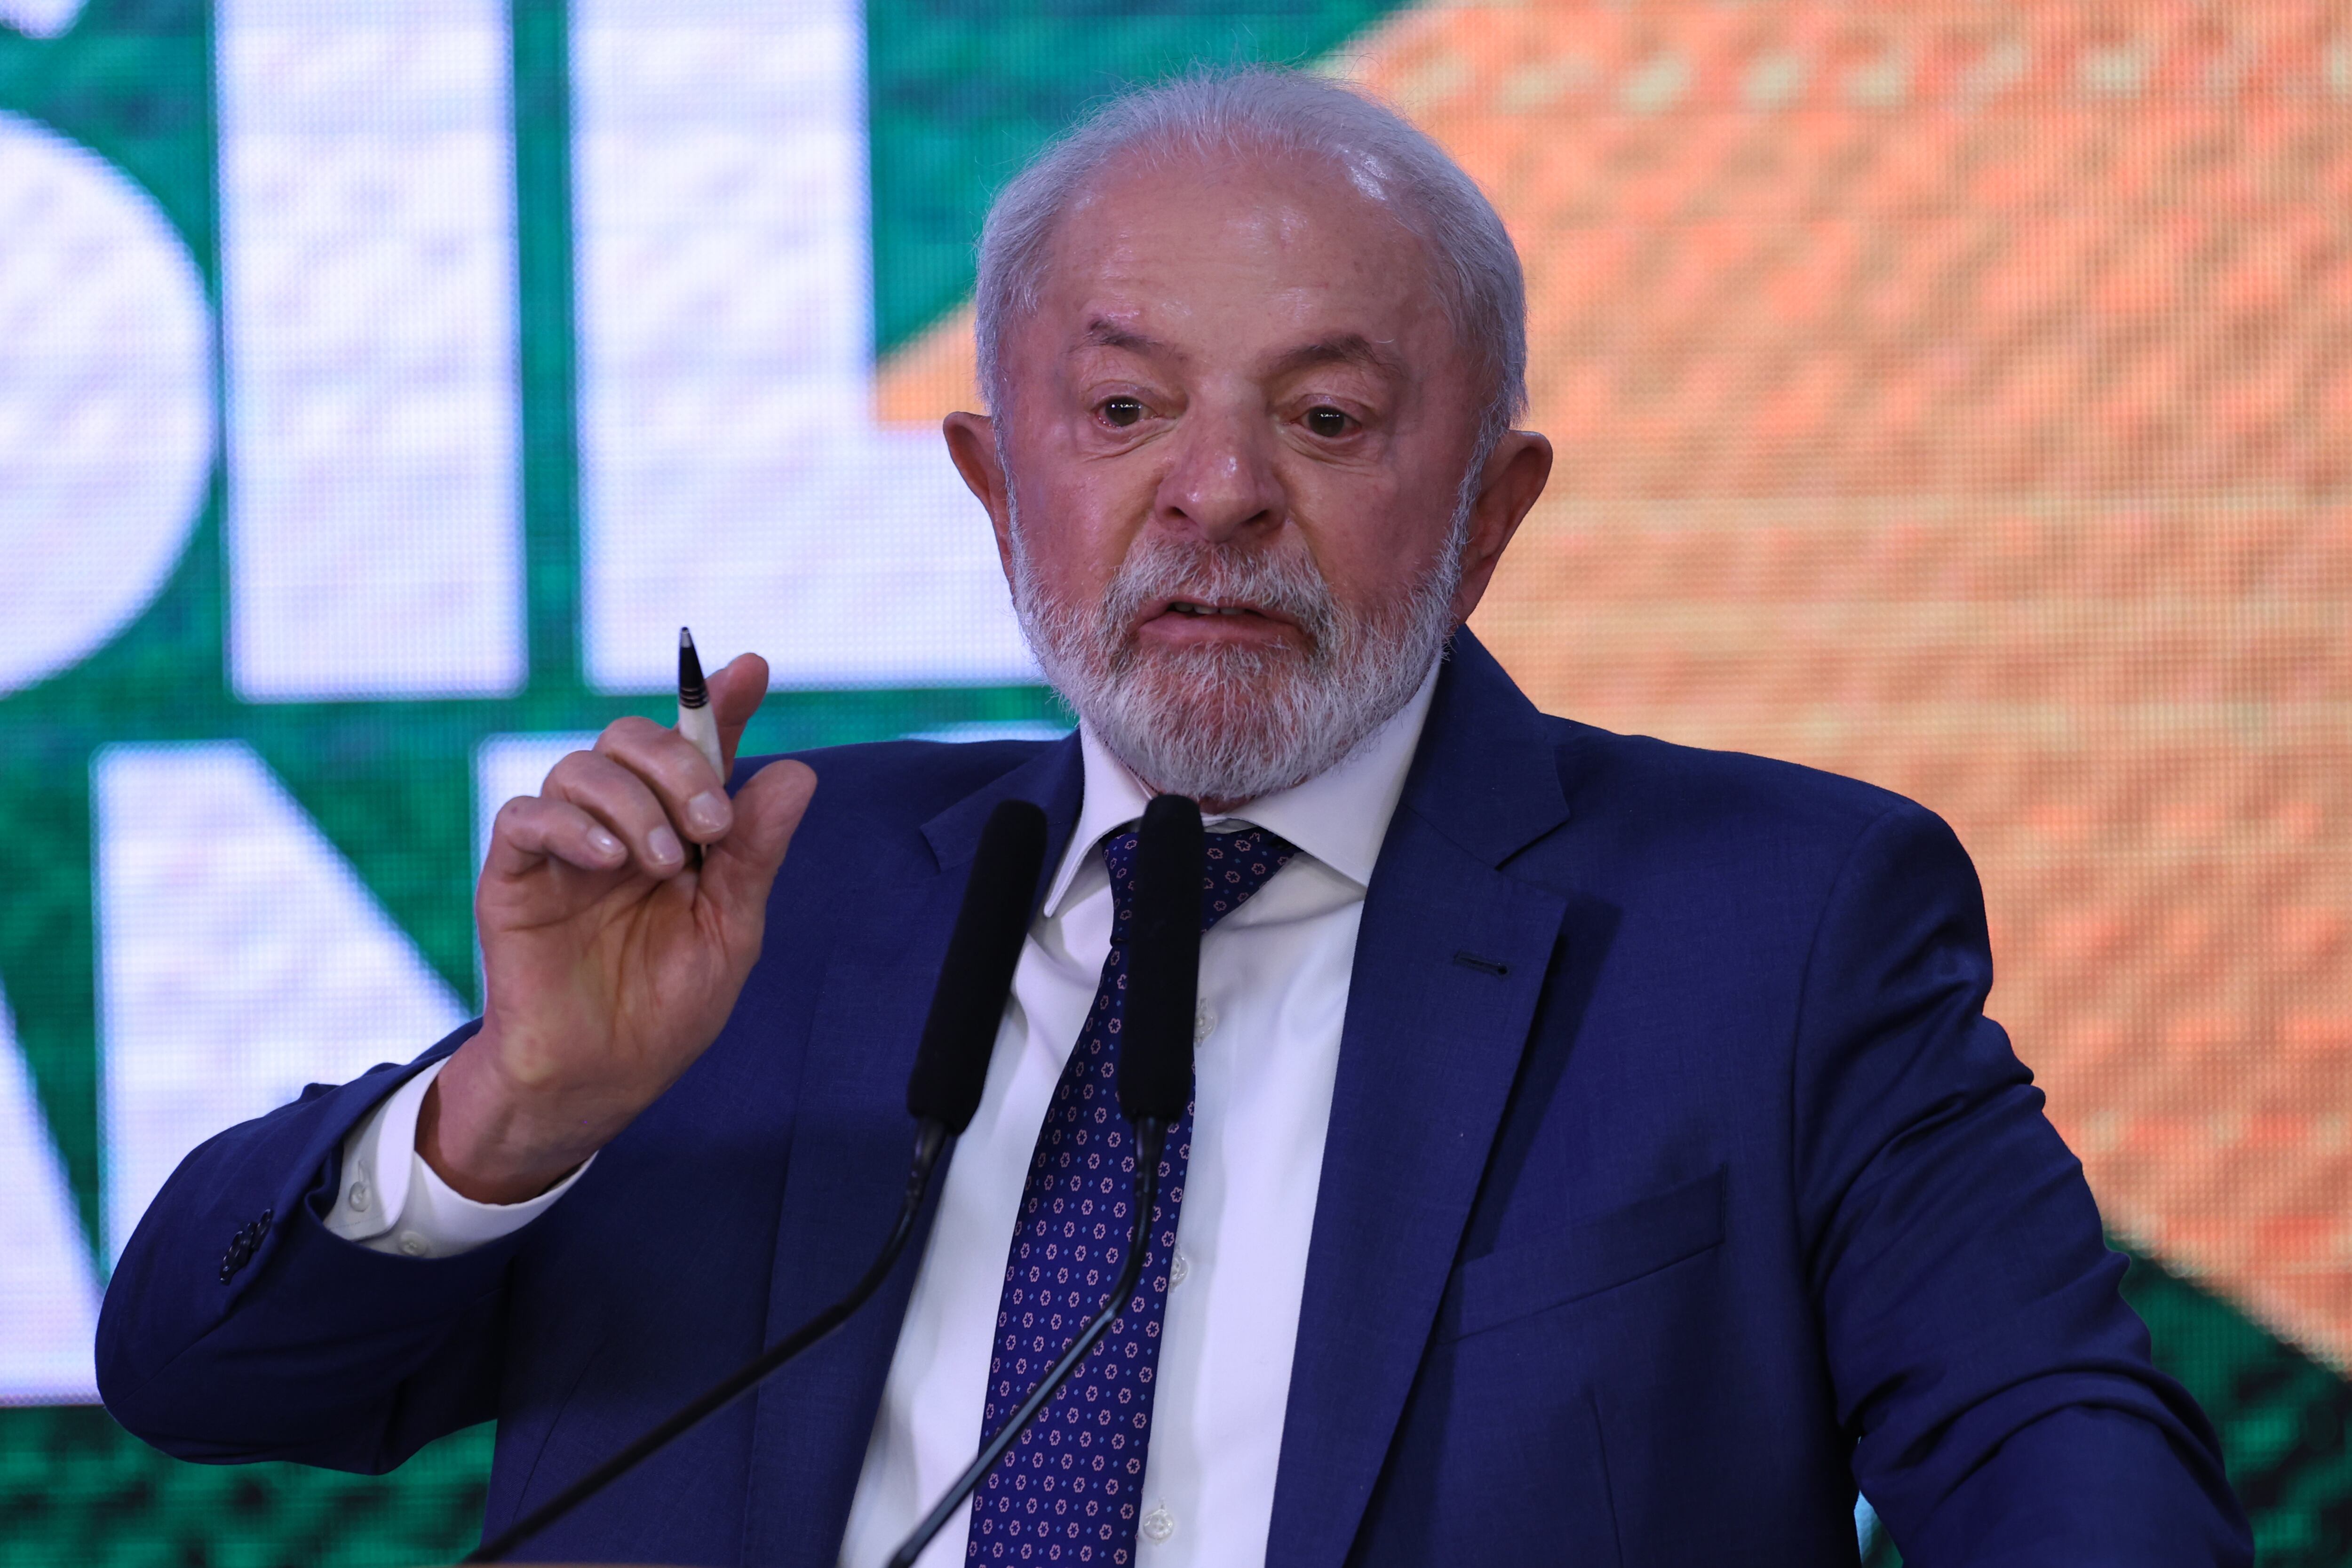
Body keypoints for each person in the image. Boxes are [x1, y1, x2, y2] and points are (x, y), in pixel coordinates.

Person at [98, 69, 2249, 1567]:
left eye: (1324, 415)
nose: (1214, 494)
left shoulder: (1770, 928)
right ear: (991, 486)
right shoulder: (758, 901)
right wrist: (513, 1108)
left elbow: (2061, 1461)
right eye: (1123, 409)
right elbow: (204, 1380)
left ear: (1491, 513)